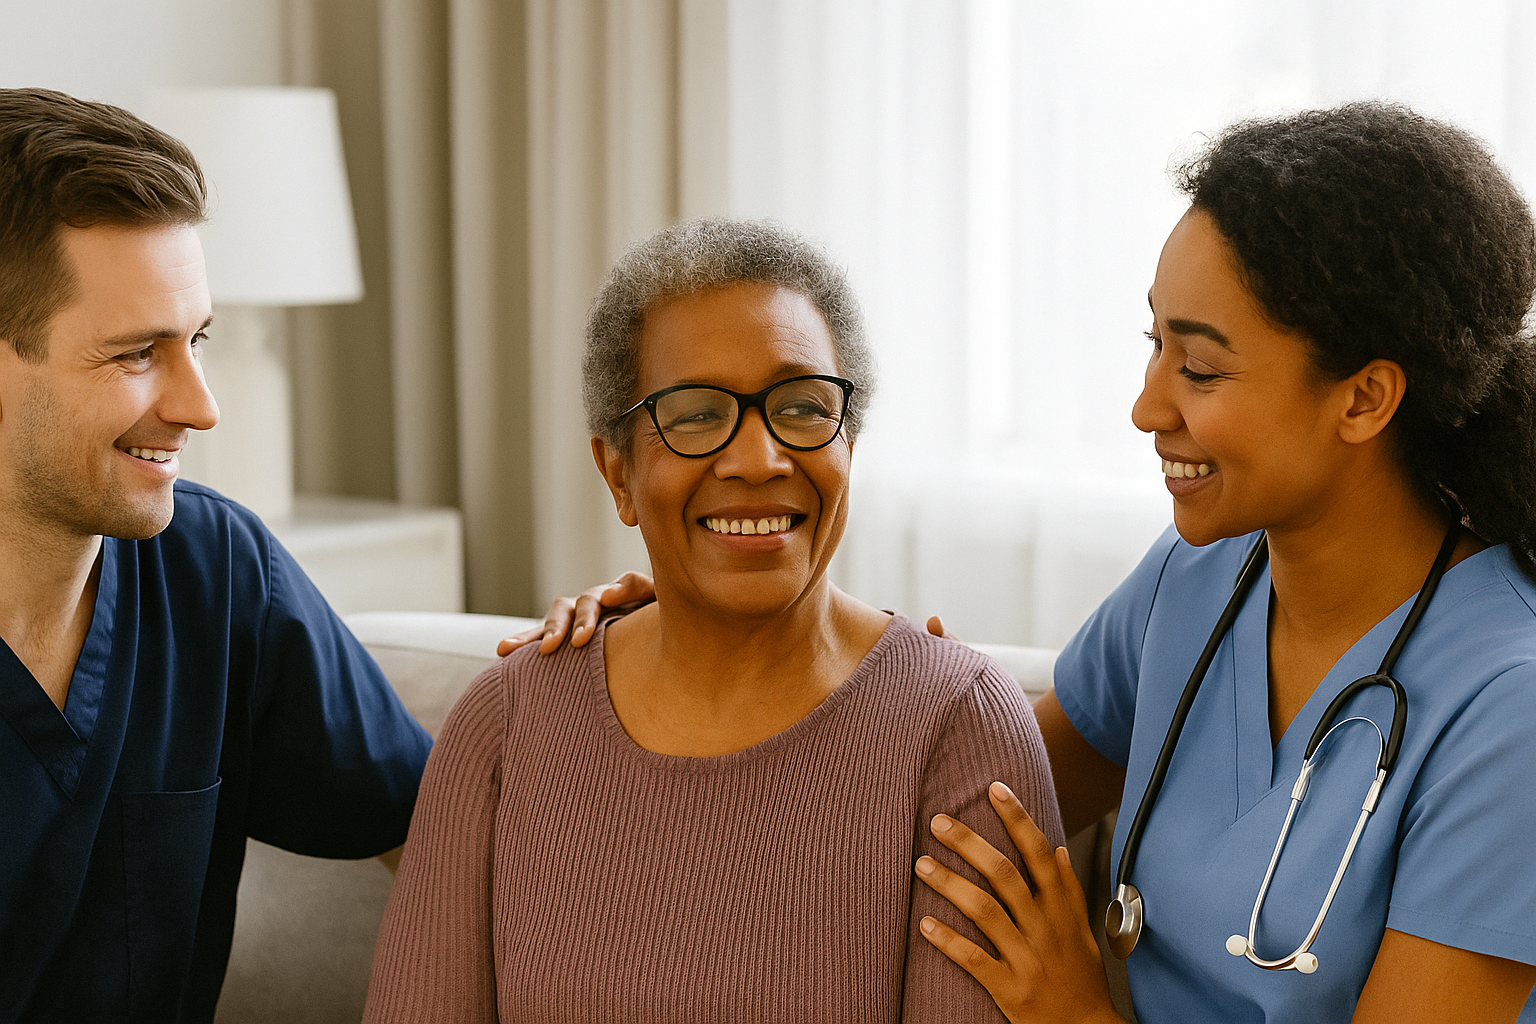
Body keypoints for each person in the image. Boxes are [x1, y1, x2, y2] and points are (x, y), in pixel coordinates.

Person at [516, 102, 1536, 1022]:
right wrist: (701, 634)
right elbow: (947, 813)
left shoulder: (1509, 709)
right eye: (1154, 344)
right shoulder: (1196, 583)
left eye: (1200, 367)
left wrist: (1077, 1014)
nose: (1146, 406)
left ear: (1365, 398)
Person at [362, 217, 1063, 1022]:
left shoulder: (960, 727)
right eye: (695, 415)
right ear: (618, 474)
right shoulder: (506, 722)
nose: (758, 460)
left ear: (849, 445)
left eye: (801, 406)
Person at [0, 88, 432, 1023]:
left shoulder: (215, 569)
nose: (200, 407)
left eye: (196, 339)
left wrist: (633, 666)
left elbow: (449, 838)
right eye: (135, 354)